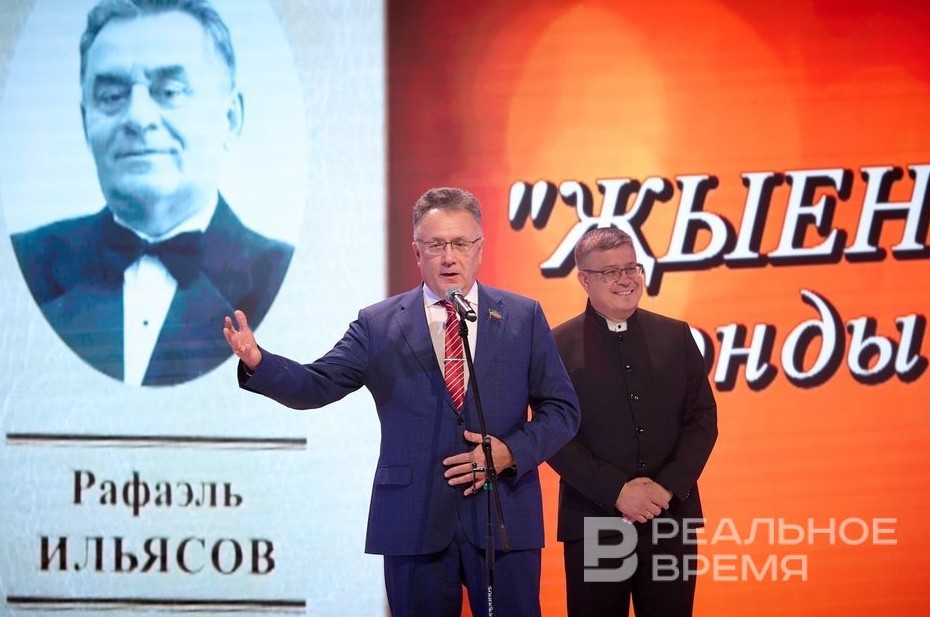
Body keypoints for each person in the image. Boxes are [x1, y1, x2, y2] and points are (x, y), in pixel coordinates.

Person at [223, 187, 580, 617]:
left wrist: (509, 452)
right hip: (414, 518)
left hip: (502, 513)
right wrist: (259, 362)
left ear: (480, 248)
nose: (449, 257)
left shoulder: (523, 316)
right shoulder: (378, 324)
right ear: (416, 251)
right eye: (436, 245)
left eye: (460, 243)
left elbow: (562, 410)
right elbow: (317, 384)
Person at [11, 0, 293, 387]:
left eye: (170, 91)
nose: (138, 117)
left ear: (230, 118)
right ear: (85, 121)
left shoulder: (276, 276)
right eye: (111, 96)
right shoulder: (24, 265)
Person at [547, 227, 718, 616]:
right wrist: (617, 491)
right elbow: (553, 434)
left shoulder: (675, 336)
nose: (625, 279)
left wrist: (665, 488)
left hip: (669, 518)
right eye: (610, 272)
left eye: (631, 268)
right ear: (584, 280)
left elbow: (703, 419)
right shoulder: (556, 346)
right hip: (596, 521)